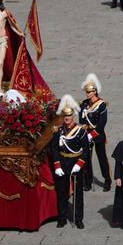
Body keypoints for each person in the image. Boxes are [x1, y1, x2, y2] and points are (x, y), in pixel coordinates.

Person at [50, 95, 93, 228]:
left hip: (75, 163)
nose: (67, 118)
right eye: (65, 116)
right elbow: (54, 149)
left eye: (69, 116)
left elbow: (86, 150)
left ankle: (78, 218)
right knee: (62, 191)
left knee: (78, 193)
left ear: (73, 116)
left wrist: (79, 165)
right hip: (63, 162)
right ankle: (62, 217)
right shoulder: (58, 131)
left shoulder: (80, 131)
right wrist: (57, 165)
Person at [79, 74, 110, 192]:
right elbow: (82, 120)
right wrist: (84, 133)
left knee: (102, 158)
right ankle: (88, 182)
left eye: (89, 92)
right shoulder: (84, 104)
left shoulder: (101, 105)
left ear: (94, 92)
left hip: (98, 135)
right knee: (86, 160)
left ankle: (107, 180)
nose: (87, 94)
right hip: (86, 135)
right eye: (86, 92)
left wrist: (91, 135)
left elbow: (102, 124)